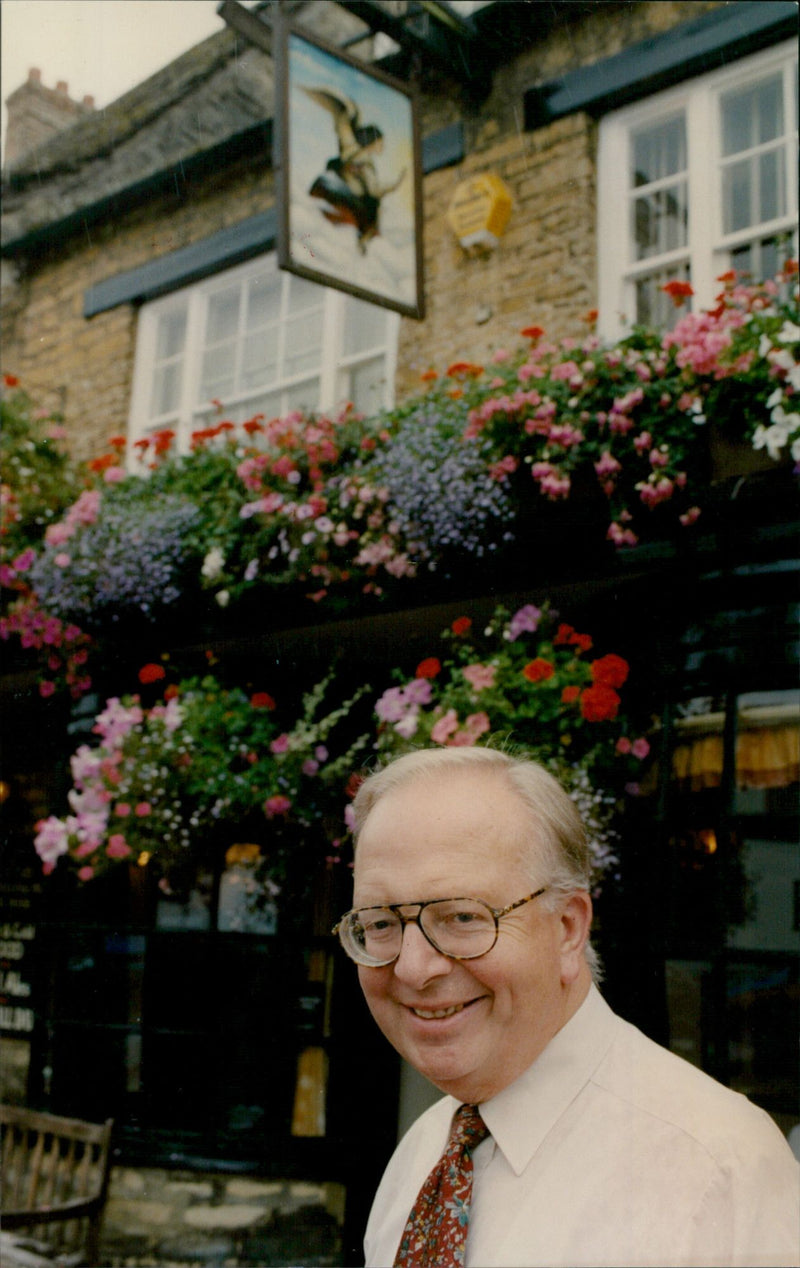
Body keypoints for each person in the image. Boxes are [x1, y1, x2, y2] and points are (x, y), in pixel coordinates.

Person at [334, 746, 800, 1268]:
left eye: (463, 917)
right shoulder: (422, 1155)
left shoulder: (718, 1167)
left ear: (568, 928)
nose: (414, 968)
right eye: (379, 923)